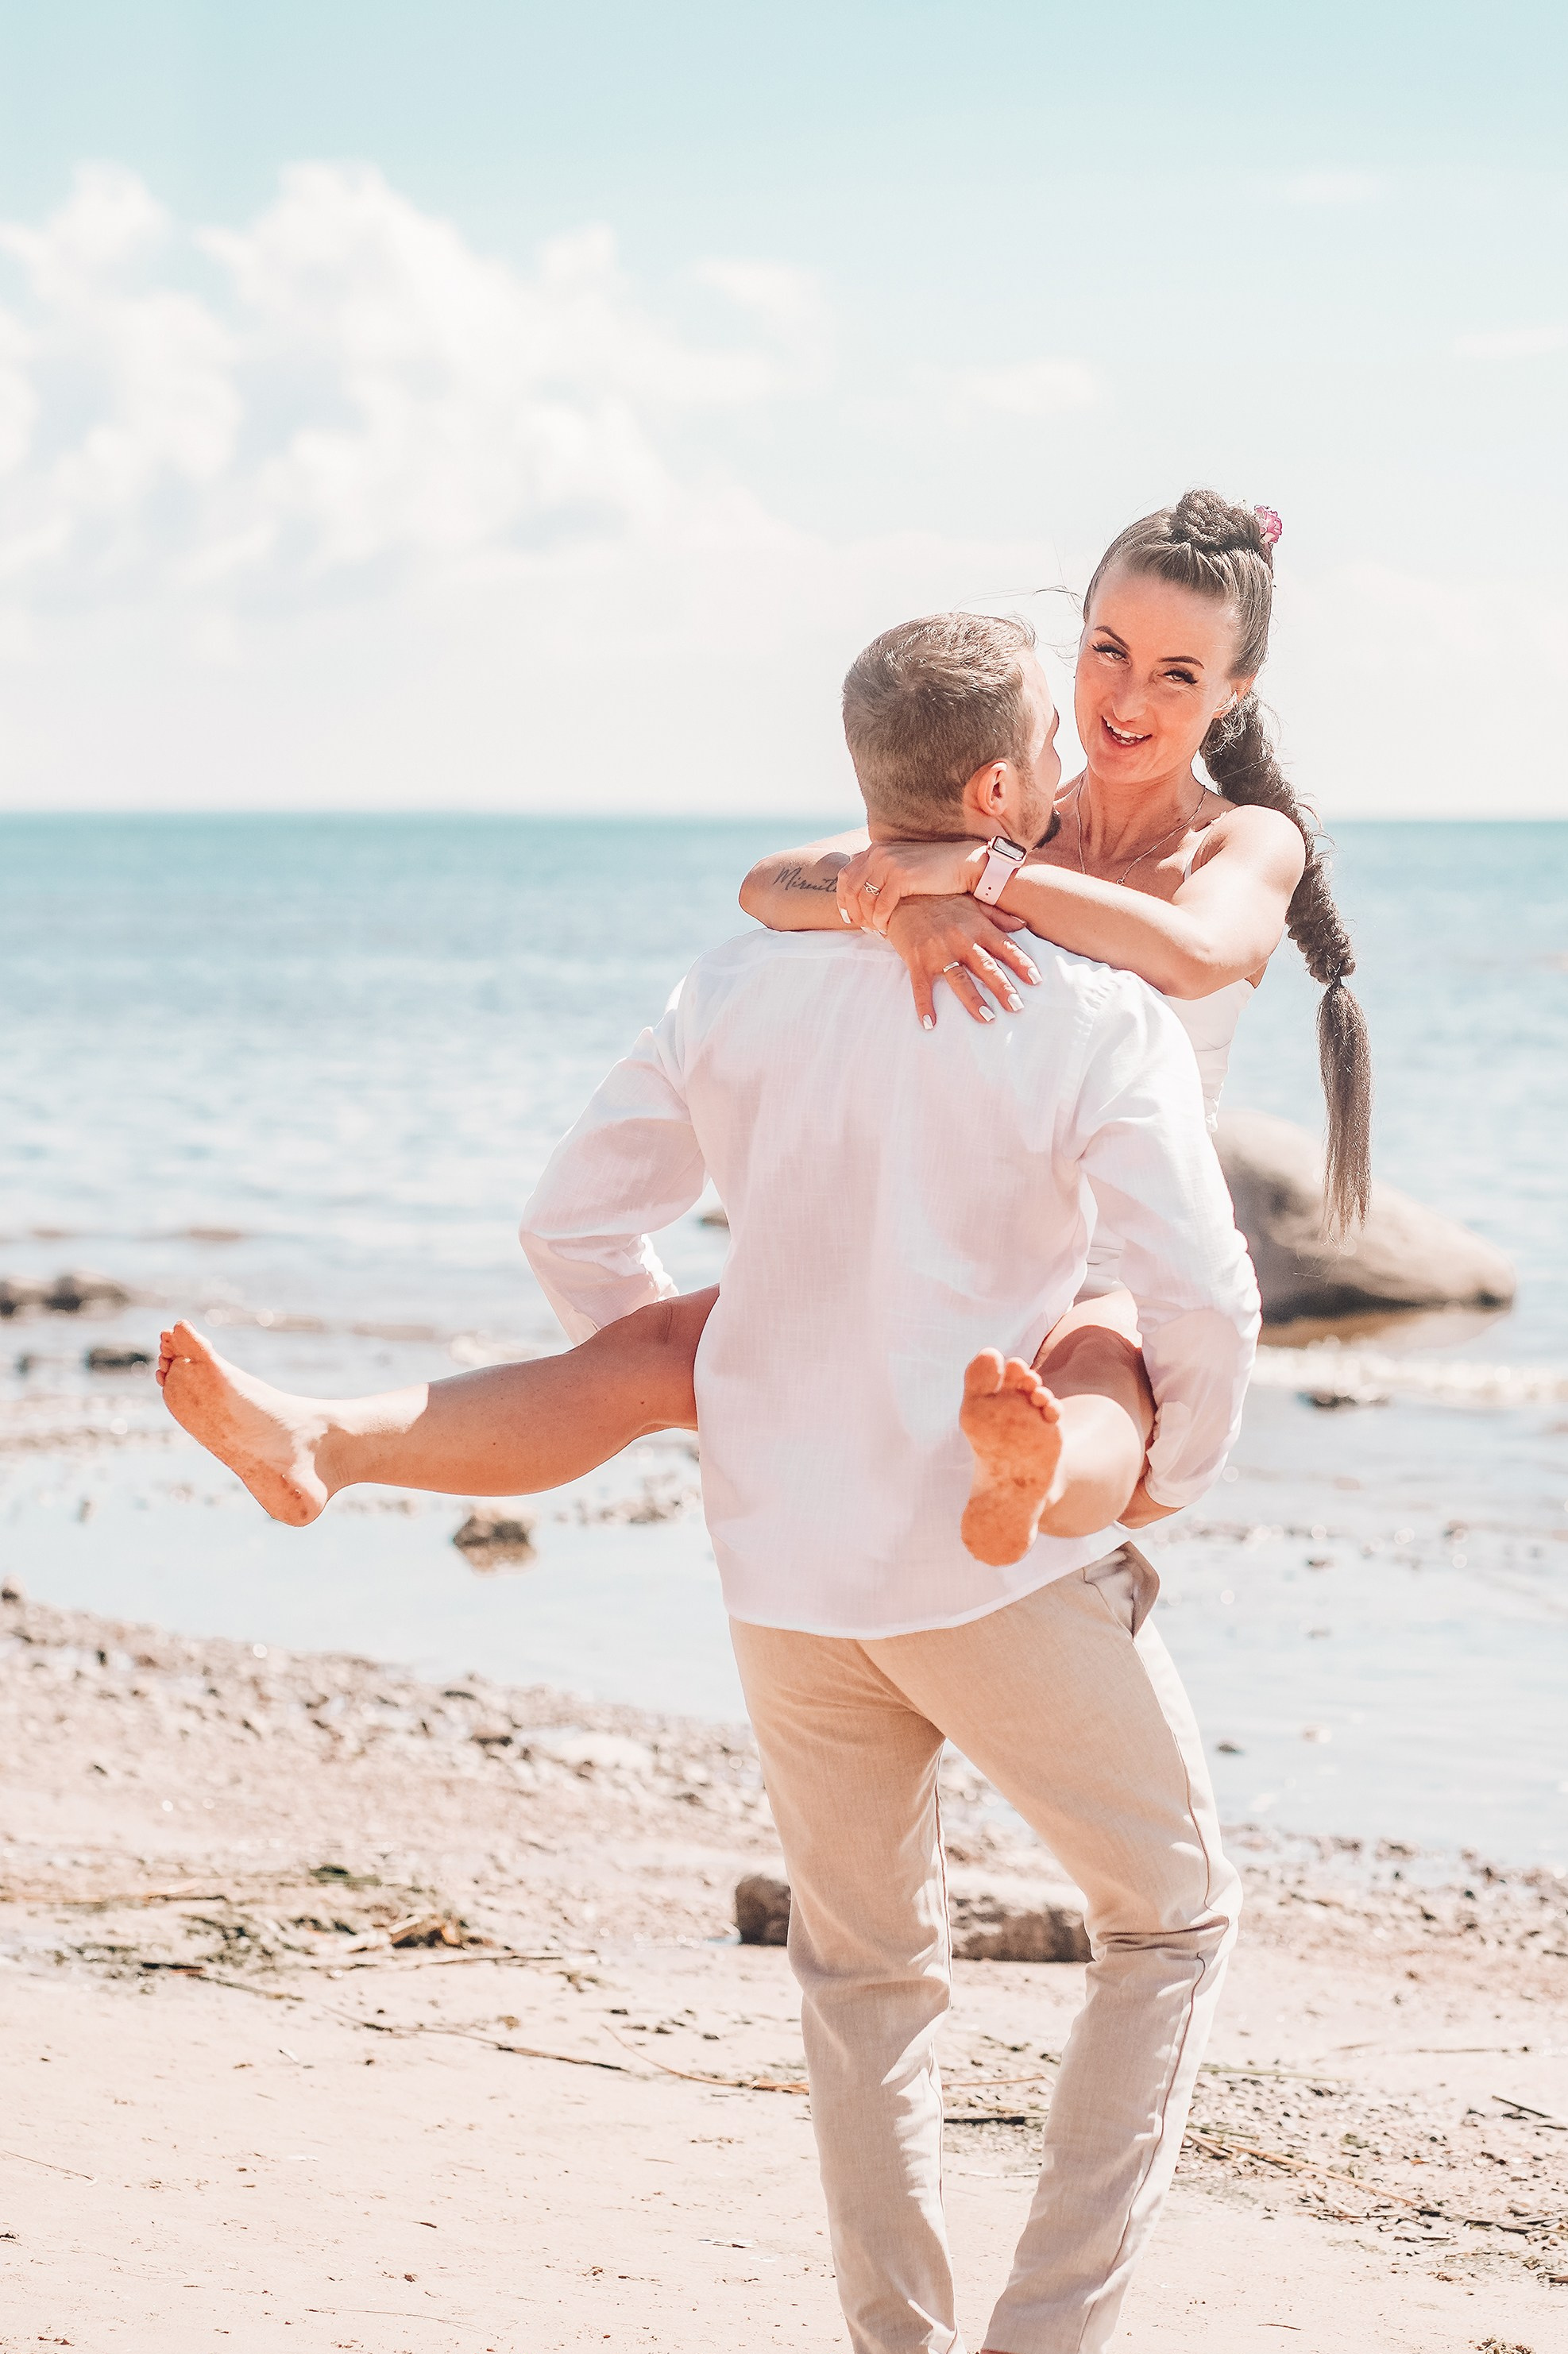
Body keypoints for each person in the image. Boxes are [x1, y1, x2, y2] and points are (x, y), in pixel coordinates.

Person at [520, 610, 1259, 2354]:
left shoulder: (739, 981)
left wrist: (710, 1379)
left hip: (782, 1567)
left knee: (863, 1978)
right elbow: (1204, 1295)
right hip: (981, 1565)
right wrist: (1166, 1477)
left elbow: (571, 1227)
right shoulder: (1097, 1011)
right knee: (1172, 1914)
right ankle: (1046, 2345)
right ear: (1005, 792)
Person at [155, 488, 1363, 1556]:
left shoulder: (1234, 841)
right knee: (663, 1351)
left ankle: (1036, 1479)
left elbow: (1202, 950)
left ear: (1233, 691)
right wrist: (894, 912)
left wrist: (970, 878)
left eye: (1177, 675)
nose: (1127, 697)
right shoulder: (1008, 810)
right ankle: (325, 1439)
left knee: (1099, 1358)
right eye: (1108, 651)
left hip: (1102, 1249)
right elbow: (768, 884)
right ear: (1078, 635)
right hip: (945, 1227)